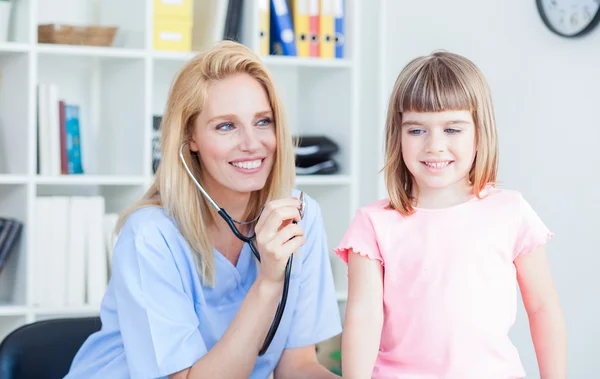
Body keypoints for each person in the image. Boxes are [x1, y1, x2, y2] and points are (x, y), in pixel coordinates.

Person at [64, 41, 342, 379]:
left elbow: (296, 366)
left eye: (263, 121)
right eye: (226, 126)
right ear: (190, 137)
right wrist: (268, 282)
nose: (252, 143)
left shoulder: (298, 216)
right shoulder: (150, 236)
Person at [334, 51, 567, 379]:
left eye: (452, 130)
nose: (434, 145)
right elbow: (363, 317)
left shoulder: (511, 211)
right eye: (416, 131)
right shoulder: (373, 223)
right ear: (397, 135)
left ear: (478, 133)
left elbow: (542, 307)